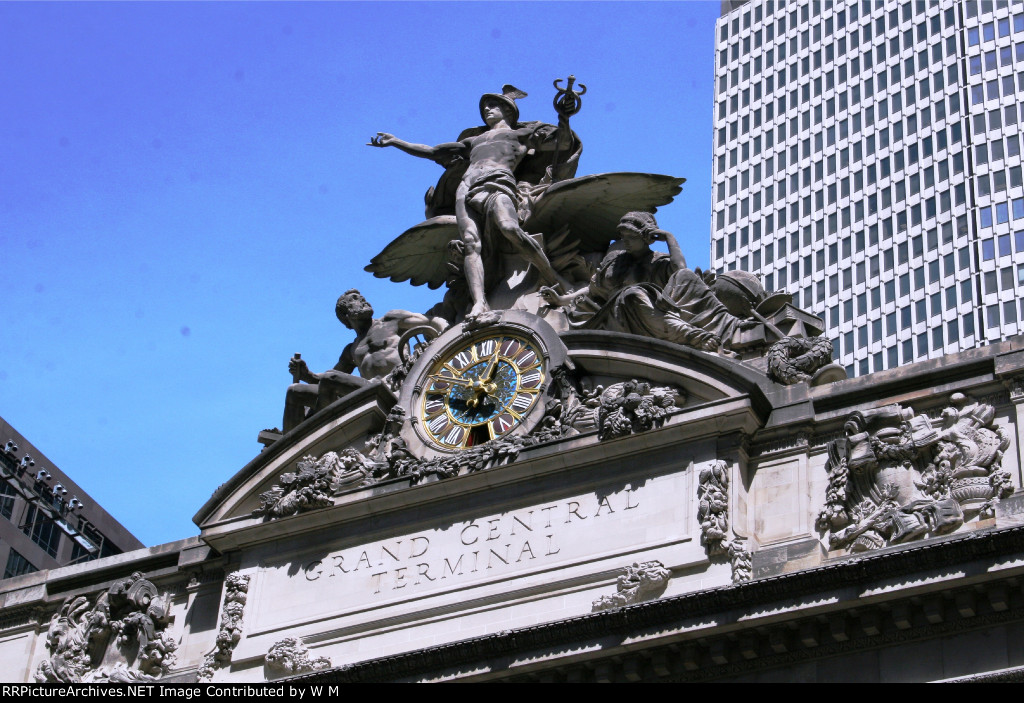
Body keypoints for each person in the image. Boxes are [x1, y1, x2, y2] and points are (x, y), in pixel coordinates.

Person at [370, 85, 574, 318]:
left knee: (509, 228)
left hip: (498, 183)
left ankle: (555, 279)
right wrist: (396, 142)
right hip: (466, 188)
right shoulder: (473, 141)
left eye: (493, 105)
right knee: (470, 244)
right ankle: (479, 302)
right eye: (484, 107)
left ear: (508, 111)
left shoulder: (521, 135)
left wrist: (564, 117)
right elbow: (434, 151)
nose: (486, 109)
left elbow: (563, 143)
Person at [540, 212, 755, 352]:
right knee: (632, 294)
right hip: (616, 317)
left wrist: (669, 238)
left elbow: (680, 269)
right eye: (623, 237)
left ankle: (729, 326)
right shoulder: (615, 263)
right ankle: (692, 335)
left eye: (631, 238)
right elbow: (592, 290)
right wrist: (561, 300)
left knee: (686, 276)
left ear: (647, 238)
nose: (626, 242)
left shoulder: (657, 261)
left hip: (655, 315)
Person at [283, 290, 446, 432]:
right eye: (354, 299)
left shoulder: (391, 320)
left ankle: (322, 431)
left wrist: (446, 335)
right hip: (369, 389)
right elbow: (329, 377)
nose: (362, 299)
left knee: (329, 379)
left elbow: (431, 321)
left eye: (361, 297)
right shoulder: (351, 349)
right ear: (346, 315)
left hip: (394, 385)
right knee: (294, 391)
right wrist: (307, 374)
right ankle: (293, 448)